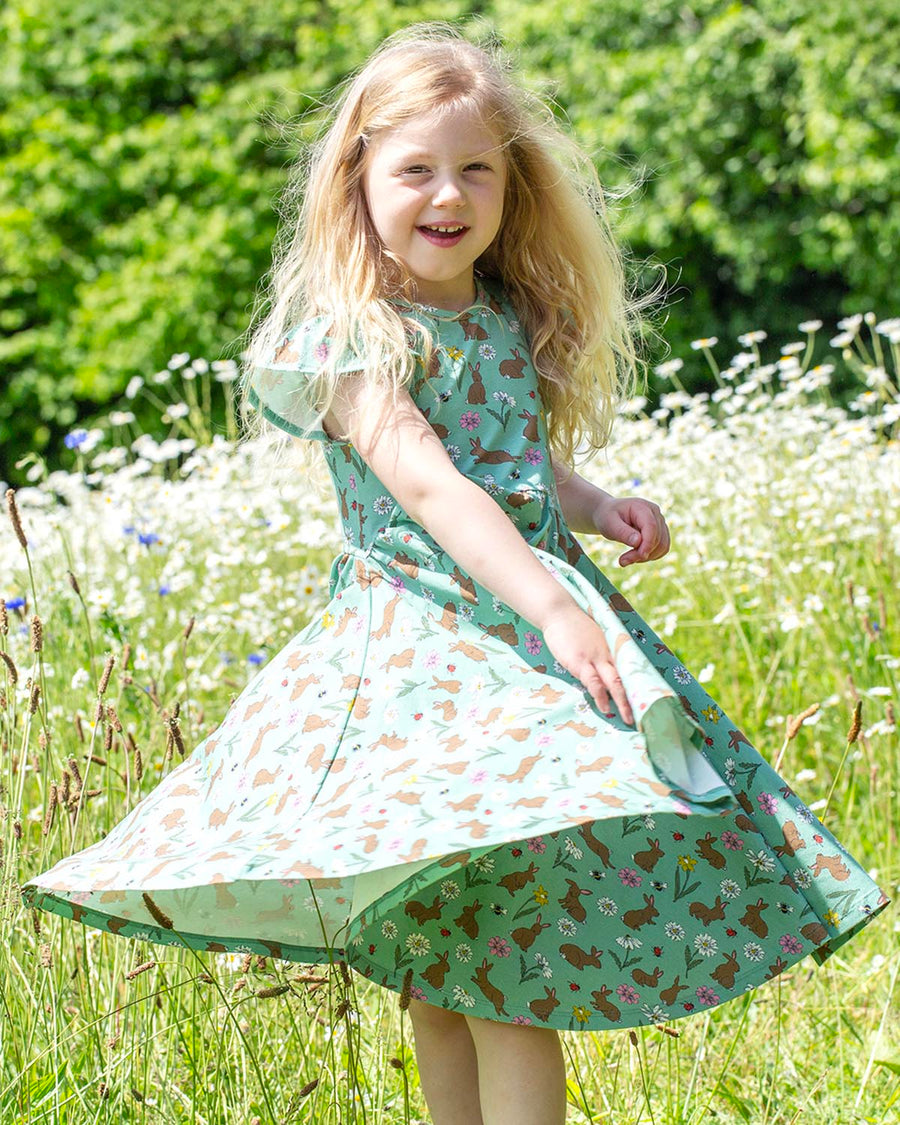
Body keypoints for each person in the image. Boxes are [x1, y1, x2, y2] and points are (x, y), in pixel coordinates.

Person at [23, 22, 888, 1125]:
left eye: (476, 167)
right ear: (359, 180)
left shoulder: (497, 317)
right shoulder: (347, 335)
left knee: (497, 955)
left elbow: (506, 460)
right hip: (423, 651)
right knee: (449, 962)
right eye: (416, 169)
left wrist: (589, 502)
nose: (449, 192)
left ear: (511, 184)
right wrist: (554, 603)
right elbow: (431, 487)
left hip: (514, 643)